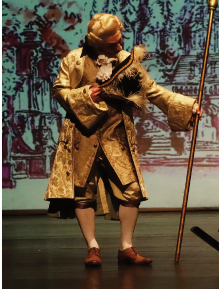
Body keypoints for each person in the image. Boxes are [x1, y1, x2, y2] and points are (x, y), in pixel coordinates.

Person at [45, 14, 202, 267]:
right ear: (96, 43)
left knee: (131, 190)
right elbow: (60, 90)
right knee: (83, 193)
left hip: (115, 133)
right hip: (82, 134)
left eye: (120, 41)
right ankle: (93, 248)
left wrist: (189, 106)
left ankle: (126, 247)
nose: (119, 47)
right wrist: (86, 94)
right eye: (112, 44)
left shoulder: (126, 62)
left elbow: (152, 90)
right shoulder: (74, 60)